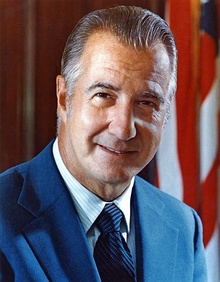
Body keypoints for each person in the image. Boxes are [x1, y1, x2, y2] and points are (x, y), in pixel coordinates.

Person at [0, 5, 207, 282]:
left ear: (166, 111)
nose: (123, 129)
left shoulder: (183, 226)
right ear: (65, 99)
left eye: (146, 102)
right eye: (104, 95)